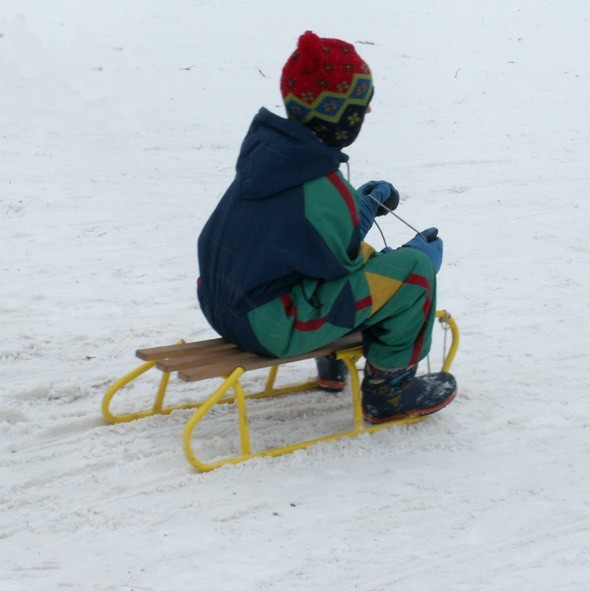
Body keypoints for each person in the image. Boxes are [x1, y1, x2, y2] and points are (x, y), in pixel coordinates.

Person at [197, 31, 456, 423]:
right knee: (410, 276)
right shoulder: (324, 192)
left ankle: (331, 363)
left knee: (312, 265)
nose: (367, 114)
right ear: (339, 113)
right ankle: (389, 389)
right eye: (361, 106)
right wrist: (413, 256)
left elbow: (306, 232)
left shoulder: (268, 161)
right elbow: (344, 266)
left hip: (220, 305)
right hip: (264, 327)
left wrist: (363, 207)